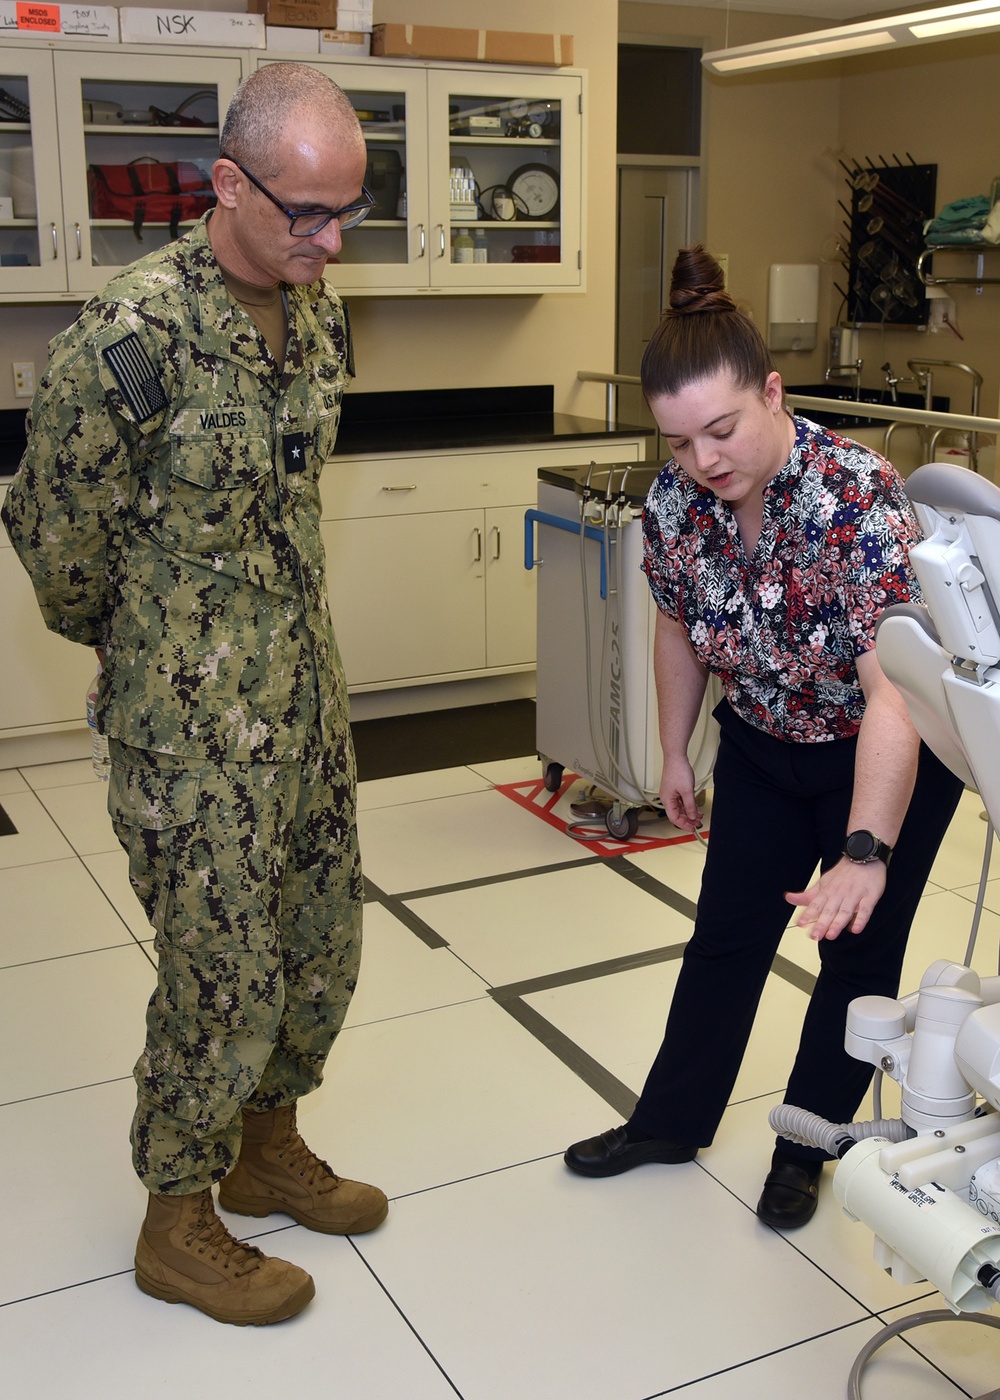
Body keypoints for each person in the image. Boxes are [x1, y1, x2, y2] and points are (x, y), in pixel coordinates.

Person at [2, 62, 385, 1325]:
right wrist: (155, 650)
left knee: (318, 947)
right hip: (191, 733)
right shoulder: (129, 339)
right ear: (228, 184)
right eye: (308, 216)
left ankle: (267, 1143)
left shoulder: (317, 312)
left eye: (349, 213)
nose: (332, 244)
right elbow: (58, 544)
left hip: (307, 704)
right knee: (219, 968)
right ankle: (177, 1215)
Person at [564, 245, 964, 1228]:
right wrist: (670, 750)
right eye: (678, 440)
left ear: (773, 393)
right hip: (760, 741)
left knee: (855, 956)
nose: (703, 460)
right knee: (725, 939)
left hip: (883, 750)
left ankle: (804, 1145)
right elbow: (673, 622)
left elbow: (894, 695)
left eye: (722, 428)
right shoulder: (673, 505)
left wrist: (866, 850)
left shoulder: (855, 496)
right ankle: (669, 1119)